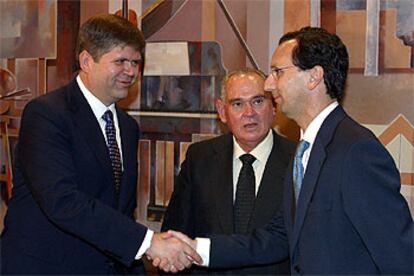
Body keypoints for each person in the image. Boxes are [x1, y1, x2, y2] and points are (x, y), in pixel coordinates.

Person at [163, 26, 414, 274]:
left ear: (314, 76)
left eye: (278, 72)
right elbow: (278, 237)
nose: (270, 85)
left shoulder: (356, 151)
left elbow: (399, 257)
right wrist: (196, 248)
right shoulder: (306, 150)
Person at [1, 14, 200, 274]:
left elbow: (120, 211)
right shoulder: (46, 114)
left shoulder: (128, 128)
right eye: (120, 61)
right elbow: (63, 201)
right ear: (86, 61)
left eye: (136, 62)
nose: (131, 72)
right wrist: (148, 242)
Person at [161, 68, 295, 274]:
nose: (249, 113)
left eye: (258, 101)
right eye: (237, 104)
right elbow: (176, 232)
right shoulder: (200, 158)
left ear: (274, 106)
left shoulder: (298, 160)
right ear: (222, 111)